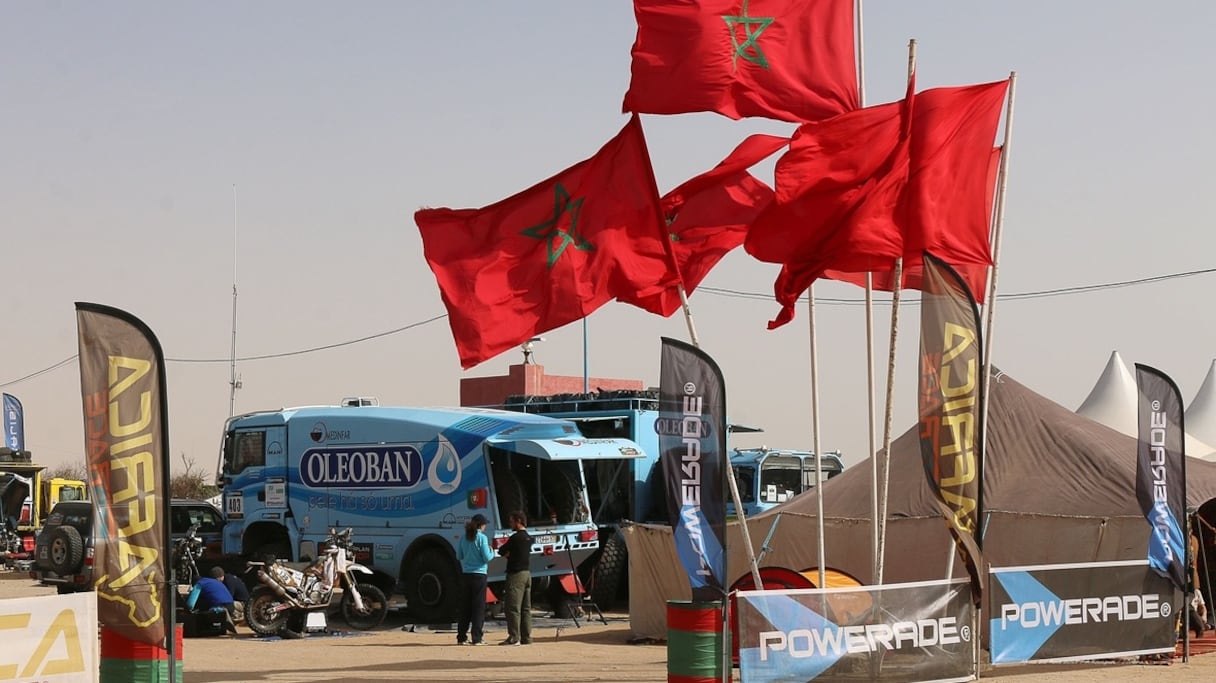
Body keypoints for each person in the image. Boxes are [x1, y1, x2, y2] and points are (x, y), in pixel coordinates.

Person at [456, 513, 493, 645]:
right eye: (484, 524)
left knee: (465, 607)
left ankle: (461, 636)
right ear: (480, 525)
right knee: (478, 607)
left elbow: (459, 555)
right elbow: (487, 557)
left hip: (466, 574)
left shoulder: (463, 538)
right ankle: (476, 637)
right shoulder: (482, 538)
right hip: (479, 575)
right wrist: (492, 550)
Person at [498, 510, 532, 646]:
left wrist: (508, 555)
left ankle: (514, 637)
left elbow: (501, 550)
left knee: (512, 607)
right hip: (527, 574)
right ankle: (527, 637)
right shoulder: (528, 537)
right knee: (526, 608)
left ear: (519, 521)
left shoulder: (515, 538)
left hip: (515, 574)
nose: (510, 523)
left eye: (512, 521)